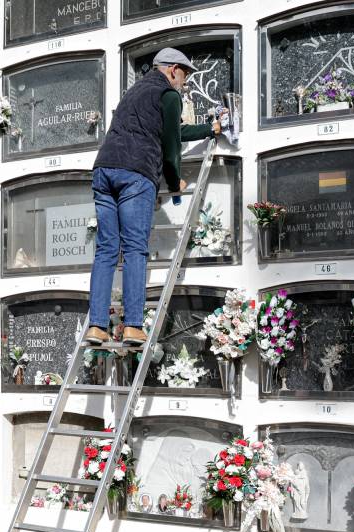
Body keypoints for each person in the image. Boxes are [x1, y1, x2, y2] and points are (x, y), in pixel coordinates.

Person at [86, 47, 221, 347]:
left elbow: (172, 130)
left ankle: (96, 326)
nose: (183, 85)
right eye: (184, 78)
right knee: (134, 249)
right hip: (135, 172)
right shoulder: (168, 95)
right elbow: (171, 148)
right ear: (173, 69)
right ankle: (133, 326)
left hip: (104, 169)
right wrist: (174, 182)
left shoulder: (134, 92)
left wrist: (208, 130)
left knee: (107, 249)